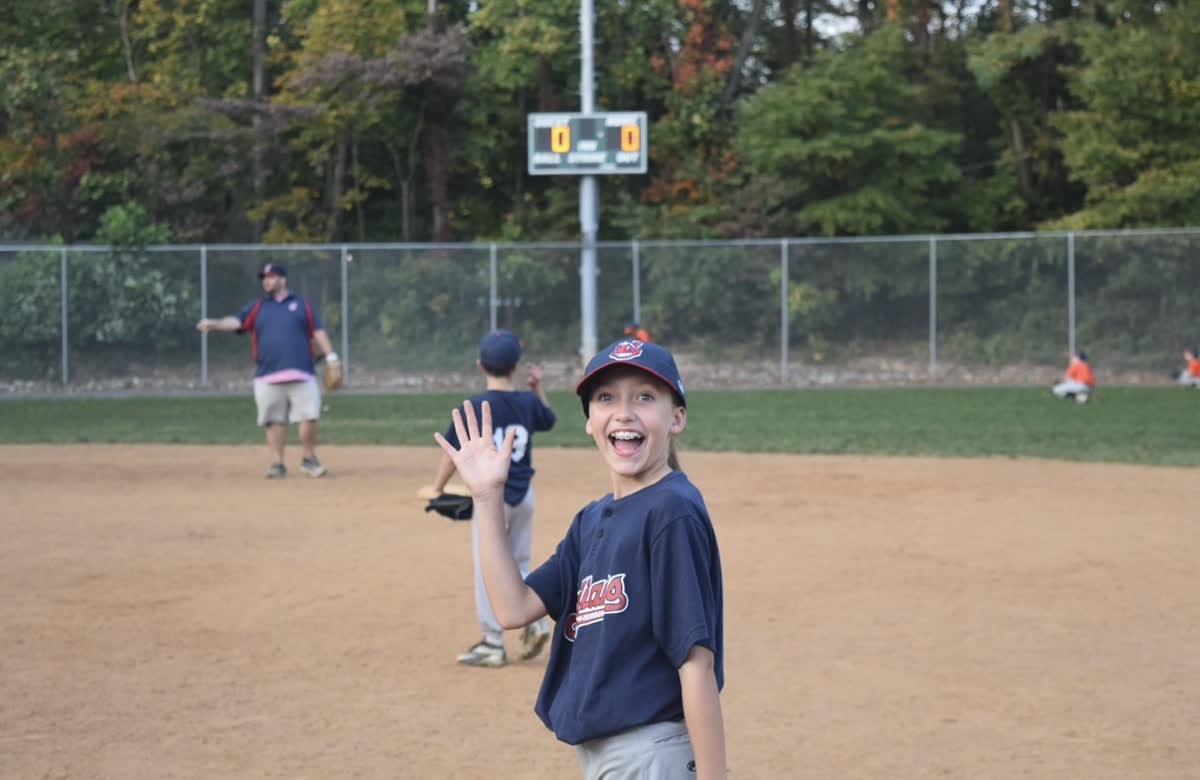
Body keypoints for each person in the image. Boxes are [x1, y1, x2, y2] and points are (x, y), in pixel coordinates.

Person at [434, 339, 727, 779]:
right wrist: (487, 497)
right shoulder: (592, 520)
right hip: (611, 757)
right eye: (606, 398)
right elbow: (514, 608)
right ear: (590, 421)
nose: (624, 412)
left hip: (649, 753)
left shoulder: (670, 510)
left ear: (677, 418)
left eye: (645, 397)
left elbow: (695, 661)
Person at [430, 329, 558, 668]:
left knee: (489, 566)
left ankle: (492, 642)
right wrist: (536, 387)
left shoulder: (474, 406)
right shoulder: (528, 403)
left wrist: (437, 488)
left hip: (494, 499)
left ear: (479, 364)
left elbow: (454, 453)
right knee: (519, 562)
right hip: (524, 495)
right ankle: (533, 621)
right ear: (516, 366)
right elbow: (549, 420)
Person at [196, 262, 336, 478]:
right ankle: (278, 464)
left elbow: (318, 331)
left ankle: (309, 459)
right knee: (273, 420)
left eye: (271, 277)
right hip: (268, 375)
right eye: (264, 277)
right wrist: (214, 324)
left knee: (309, 417)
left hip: (302, 372)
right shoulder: (258, 307)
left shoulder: (302, 305)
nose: (266, 281)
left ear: (283, 280)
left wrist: (331, 357)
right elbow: (237, 322)